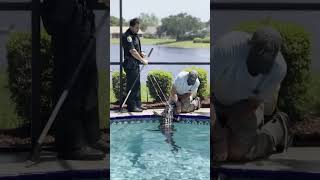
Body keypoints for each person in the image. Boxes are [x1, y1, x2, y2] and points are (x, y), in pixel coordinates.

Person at [211, 27, 291, 162]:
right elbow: (203, 94)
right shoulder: (226, 48)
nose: (257, 71)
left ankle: (278, 129)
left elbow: (253, 103)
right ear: (249, 45)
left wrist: (230, 125)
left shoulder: (279, 69)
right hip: (215, 102)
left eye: (264, 66)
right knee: (207, 147)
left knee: (236, 154)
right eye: (255, 61)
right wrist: (218, 136)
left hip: (244, 105)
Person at [42, 0, 107, 160]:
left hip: (81, 18)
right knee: (72, 84)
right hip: (67, 18)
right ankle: (72, 143)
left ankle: (91, 137)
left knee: (89, 81)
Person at [122, 18, 148, 112]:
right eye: (136, 27)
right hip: (130, 64)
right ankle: (132, 107)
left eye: (138, 27)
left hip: (135, 64)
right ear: (131, 26)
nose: (138, 29)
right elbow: (132, 51)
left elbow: (137, 49)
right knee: (132, 86)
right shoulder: (127, 36)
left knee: (137, 85)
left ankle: (138, 104)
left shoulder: (135, 35)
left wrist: (141, 53)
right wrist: (143, 60)